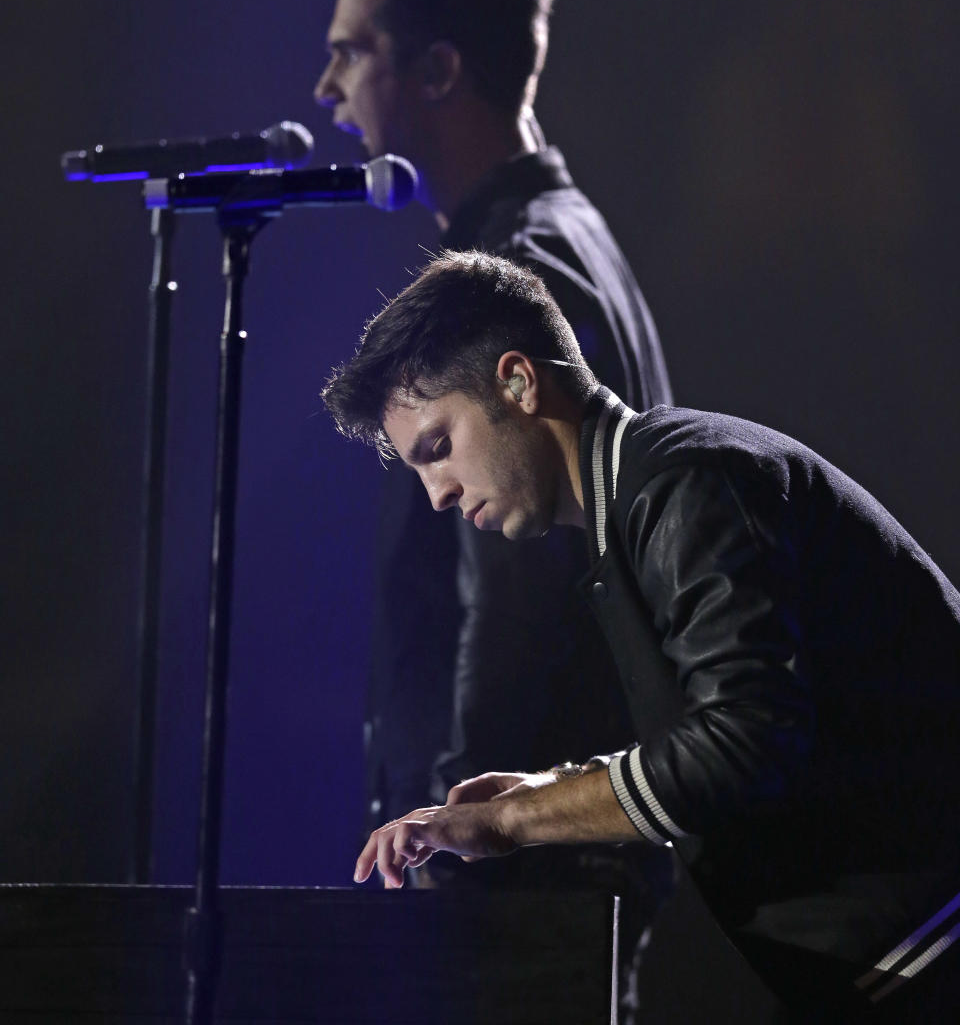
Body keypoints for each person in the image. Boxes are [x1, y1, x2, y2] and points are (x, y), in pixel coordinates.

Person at [323, 250, 960, 1023]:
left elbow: (743, 745)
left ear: (518, 382)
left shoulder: (687, 484)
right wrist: (545, 790)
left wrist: (508, 821)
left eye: (438, 447)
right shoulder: (640, 503)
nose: (437, 494)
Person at [305, 0, 673, 1015]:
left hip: (524, 857)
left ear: (439, 69)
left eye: (352, 52)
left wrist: (463, 820)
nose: (326, 91)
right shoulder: (565, 237)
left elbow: (513, 590)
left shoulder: (528, 275)